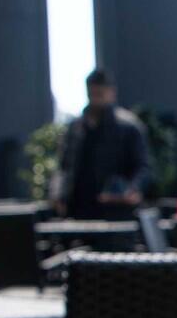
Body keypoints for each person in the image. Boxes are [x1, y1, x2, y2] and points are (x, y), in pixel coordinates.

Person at [51, 69, 152, 219]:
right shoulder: (76, 128)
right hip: (80, 210)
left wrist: (131, 190)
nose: (96, 99)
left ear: (111, 93)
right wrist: (58, 194)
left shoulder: (129, 127)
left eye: (100, 94)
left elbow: (143, 167)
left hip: (117, 210)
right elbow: (64, 167)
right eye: (92, 94)